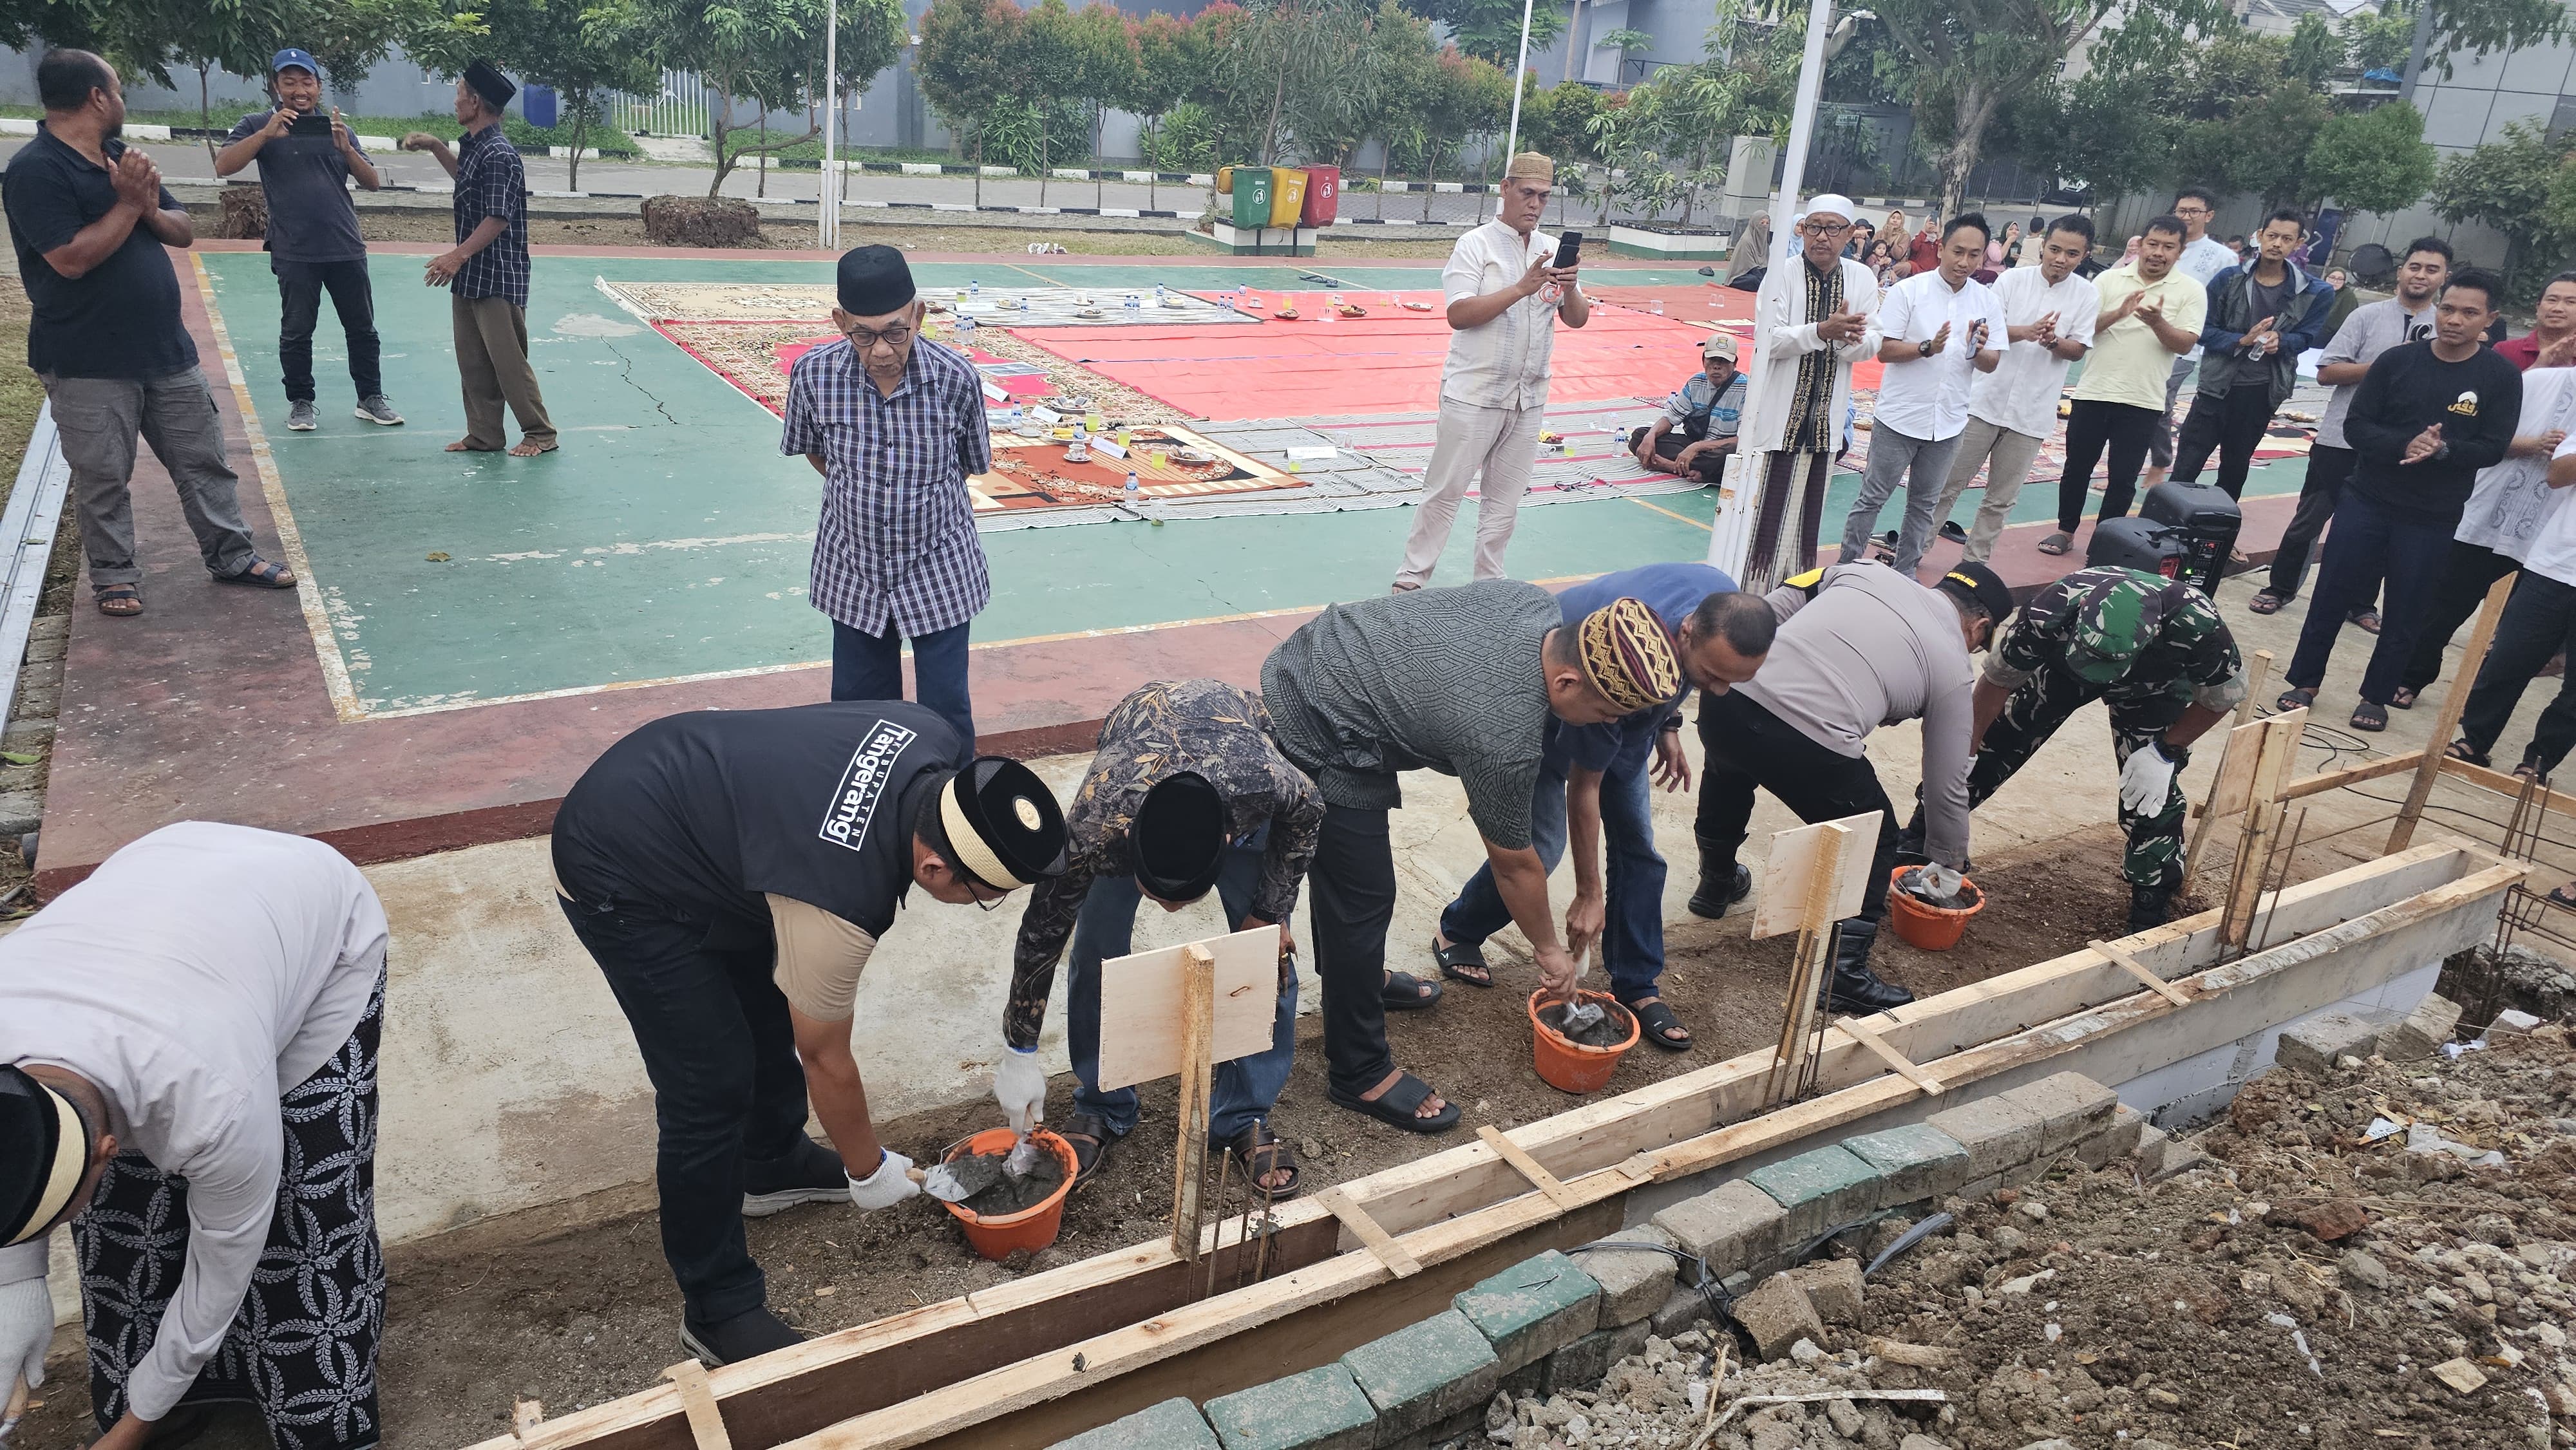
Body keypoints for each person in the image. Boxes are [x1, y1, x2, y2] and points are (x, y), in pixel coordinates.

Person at [551, 704, 1068, 1362]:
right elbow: (824, 1056)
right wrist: (868, 1167)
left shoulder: (929, 733)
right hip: (621, 859)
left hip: (707, 814)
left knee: (769, 994)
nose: (980, 904)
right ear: (936, 867)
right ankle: (718, 1307)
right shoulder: (838, 905)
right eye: (983, 895)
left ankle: (771, 1162)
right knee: (707, 1087)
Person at [0, 824, 390, 1450]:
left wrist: (128, 1432)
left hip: (314, 916)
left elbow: (220, 1274)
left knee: (297, 1222)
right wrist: (16, 1286)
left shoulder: (215, 1101)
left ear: (106, 1148)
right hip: (162, 885)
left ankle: (316, 1421)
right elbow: (11, 1163)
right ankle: (178, 1402)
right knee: (126, 1231)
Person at [1261, 582, 1676, 1131]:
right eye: (1604, 711)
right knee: (1363, 896)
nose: (1607, 726)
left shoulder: (1532, 605)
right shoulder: (1503, 735)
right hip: (1317, 716)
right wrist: (1551, 953)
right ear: (1568, 680)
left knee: (1353, 895)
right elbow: (1514, 865)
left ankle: (1358, 980)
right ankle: (1359, 1071)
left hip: (1328, 648)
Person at [1, 50, 301, 622]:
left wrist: (144, 206)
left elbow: (182, 230)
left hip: (165, 349)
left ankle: (231, 555)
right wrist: (129, 202)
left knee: (204, 460)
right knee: (104, 475)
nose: (122, 99)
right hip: (87, 359)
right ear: (97, 97)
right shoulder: (37, 170)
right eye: (117, 88)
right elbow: (69, 259)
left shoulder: (120, 157)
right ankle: (115, 578)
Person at [1429, 567, 1776, 1051]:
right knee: (1541, 848)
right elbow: (1584, 786)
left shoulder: (1716, 602)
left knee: (1639, 849)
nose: (1718, 692)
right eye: (1713, 677)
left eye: (1734, 681)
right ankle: (1458, 930)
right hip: (1557, 697)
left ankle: (1637, 985)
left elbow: (1682, 685)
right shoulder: (1617, 682)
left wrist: (1668, 723)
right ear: (1687, 631)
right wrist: (1589, 891)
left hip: (1634, 703)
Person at [1001, 679, 1320, 1194]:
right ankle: (1104, 1101)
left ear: (1228, 839)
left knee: (1265, 956)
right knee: (1095, 952)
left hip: (1235, 747)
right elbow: (1043, 933)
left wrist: (1271, 911)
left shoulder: (1268, 785)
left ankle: (1243, 1116)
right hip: (1137, 735)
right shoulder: (1096, 823)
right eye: (1157, 894)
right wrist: (1019, 1048)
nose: (1171, 910)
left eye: (1182, 899)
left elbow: (1307, 818)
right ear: (1127, 843)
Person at [1694, 560, 2008, 1013]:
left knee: (1729, 767)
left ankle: (1715, 885)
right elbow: (1946, 782)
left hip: (1731, 698)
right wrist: (1948, 859)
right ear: (1979, 627)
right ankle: (1843, 974)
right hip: (1811, 740)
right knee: (1875, 836)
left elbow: (1767, 609)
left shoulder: (1863, 570)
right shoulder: (1953, 665)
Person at [1912, 567, 2246, 930]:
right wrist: (1966, 754)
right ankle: (1918, 839)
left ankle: (2150, 907)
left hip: (2154, 688)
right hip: (2062, 670)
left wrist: (2167, 750)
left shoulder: (2198, 625)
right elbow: (1996, 684)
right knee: (1994, 745)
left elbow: (2221, 698)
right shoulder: (2050, 610)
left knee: (2149, 792)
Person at [2278, 270, 2523, 733]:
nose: (2454, 320)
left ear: (2489, 319)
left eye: (2469, 313)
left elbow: (2494, 445)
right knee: (2331, 592)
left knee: (2408, 607)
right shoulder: (2397, 362)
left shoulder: (2500, 377)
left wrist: (2443, 450)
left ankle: (2376, 695)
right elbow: (2358, 427)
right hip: (2367, 499)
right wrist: (2404, 445)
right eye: (2448, 309)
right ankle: (2305, 681)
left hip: (2432, 515)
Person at [781, 246, 991, 747]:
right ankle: (875, 815)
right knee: (859, 715)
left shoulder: (957, 380)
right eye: (863, 334)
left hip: (939, 566)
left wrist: (911, 501)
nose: (881, 350)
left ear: (919, 317)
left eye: (896, 332)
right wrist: (866, 494)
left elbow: (968, 464)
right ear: (840, 321)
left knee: (946, 712)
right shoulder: (813, 376)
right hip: (853, 569)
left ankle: (950, 818)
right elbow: (814, 450)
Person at [1392, 153, 1589, 591]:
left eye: (1543, 196)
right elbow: (1458, 314)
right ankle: (1410, 580)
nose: (1535, 205)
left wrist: (1571, 288)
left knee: (1504, 505)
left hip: (1528, 398)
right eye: (1527, 193)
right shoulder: (1475, 245)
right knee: (1445, 493)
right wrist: (1521, 288)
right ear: (1505, 189)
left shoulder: (1552, 250)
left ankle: (1489, 587)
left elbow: (1577, 319)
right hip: (1475, 395)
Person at [2249, 238, 2452, 619]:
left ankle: (2360, 604)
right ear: (2400, 271)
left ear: (2444, 277)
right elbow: (2327, 371)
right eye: (2415, 266)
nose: (2421, 275)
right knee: (2308, 521)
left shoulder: (2446, 326)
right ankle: (2280, 587)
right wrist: (2386, 365)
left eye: (2431, 269)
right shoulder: (2366, 317)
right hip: (2341, 438)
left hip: (2399, 448)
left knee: (2380, 529)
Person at [214, 48, 399, 433]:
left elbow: (372, 182)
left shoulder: (339, 130)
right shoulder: (257, 124)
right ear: (276, 86)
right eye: (290, 81)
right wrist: (267, 135)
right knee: (298, 331)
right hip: (293, 249)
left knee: (362, 329)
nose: (300, 89)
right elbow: (224, 166)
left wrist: (346, 149)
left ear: (318, 86)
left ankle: (370, 397)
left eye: (307, 81)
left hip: (345, 245)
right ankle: (301, 401)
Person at [2389, 362, 2576, 710]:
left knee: (2520, 635)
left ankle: (2475, 707)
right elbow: (2478, 440)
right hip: (2485, 515)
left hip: (2549, 537)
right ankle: (2411, 676)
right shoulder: (2534, 381)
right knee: (2444, 605)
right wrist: (2534, 444)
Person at [400, 59, 556, 457]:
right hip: (473, 272)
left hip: (498, 274)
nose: (454, 102)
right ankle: (485, 435)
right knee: (473, 361)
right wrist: (436, 146)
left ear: (476, 101)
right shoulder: (478, 147)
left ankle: (540, 433)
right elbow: (468, 181)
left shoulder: (500, 154)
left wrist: (457, 255)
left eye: (458, 94)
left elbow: (499, 216)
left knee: (508, 362)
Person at [1837, 213, 2007, 576]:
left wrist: (1977, 348)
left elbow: (1992, 363)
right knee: (1873, 498)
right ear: (1941, 248)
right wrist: (1928, 348)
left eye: (1974, 255)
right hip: (1900, 417)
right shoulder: (1908, 291)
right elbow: (1885, 351)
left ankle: (1906, 574)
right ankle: (1846, 569)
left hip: (1948, 423)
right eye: (1958, 251)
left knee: (1924, 505)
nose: (1964, 262)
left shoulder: (1987, 301)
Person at [1928, 215, 2098, 565]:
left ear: (2085, 255)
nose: (2060, 259)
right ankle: (1915, 551)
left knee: (2000, 499)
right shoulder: (2011, 281)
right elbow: (1989, 328)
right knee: (1947, 485)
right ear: (2043, 246)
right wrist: (2029, 331)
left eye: (2071, 254)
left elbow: (2079, 348)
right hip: (1984, 401)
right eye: (2054, 249)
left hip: (2031, 412)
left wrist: (2053, 342)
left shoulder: (2087, 294)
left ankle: (1974, 566)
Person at [1733, 194, 1880, 592]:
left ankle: (1793, 596)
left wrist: (1848, 338)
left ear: (1849, 234)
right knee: (1765, 515)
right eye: (1813, 226)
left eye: (1833, 228)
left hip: (1824, 423)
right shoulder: (1782, 273)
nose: (1821, 237)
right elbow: (1767, 340)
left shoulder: (1862, 278)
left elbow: (1873, 343)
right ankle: (1751, 596)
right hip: (1780, 418)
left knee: (1806, 517)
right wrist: (1820, 332)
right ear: (1803, 229)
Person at [2038, 216, 2205, 556]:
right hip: (2094, 392)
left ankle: (2106, 540)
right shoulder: (2109, 280)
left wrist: (2158, 322)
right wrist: (2118, 313)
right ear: (2141, 244)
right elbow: (2082, 330)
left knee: (2122, 477)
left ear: (2180, 252)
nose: (2158, 253)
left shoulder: (2191, 291)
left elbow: (2185, 344)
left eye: (2168, 247)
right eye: (2153, 244)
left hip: (2143, 400)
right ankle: (2065, 531)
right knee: (2077, 468)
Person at [2168, 209, 2334, 501]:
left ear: (2297, 245)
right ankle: (2165, 527)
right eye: (2272, 236)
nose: (2277, 244)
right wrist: (2242, 340)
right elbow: (2202, 330)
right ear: (2259, 236)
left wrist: (2281, 340)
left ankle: (2220, 535)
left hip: (2261, 391)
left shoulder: (2314, 291)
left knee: (2235, 466)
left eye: (2286, 239)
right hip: (2216, 387)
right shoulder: (2229, 279)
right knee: (2187, 464)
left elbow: (2308, 337)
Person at [2448, 429, 2576, 786]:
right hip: (2554, 565)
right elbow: (2556, 476)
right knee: (2507, 660)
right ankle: (2475, 740)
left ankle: (2539, 761)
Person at [2144, 187, 2246, 481]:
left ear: (2209, 216)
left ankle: (2160, 461)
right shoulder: (2156, 245)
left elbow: (2227, 301)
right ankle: (2129, 467)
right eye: (2181, 211)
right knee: (2135, 404)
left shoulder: (2223, 256)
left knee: (2158, 401)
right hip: (2143, 335)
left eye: (2194, 211)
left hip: (2185, 342)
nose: (2186, 216)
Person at [1629, 334, 1748, 481]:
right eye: (1712, 360)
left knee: (1732, 453)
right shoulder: (1696, 382)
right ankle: (1699, 471)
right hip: (1694, 447)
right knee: (1639, 437)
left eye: (1723, 361)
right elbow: (1671, 418)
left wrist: (1697, 447)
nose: (1717, 366)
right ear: (1703, 360)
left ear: (1734, 363)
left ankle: (1671, 466)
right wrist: (1650, 436)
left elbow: (1743, 440)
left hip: (1718, 449)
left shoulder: (1747, 388)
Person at [2497, 272, 2576, 372]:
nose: (2558, 308)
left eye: (2571, 302)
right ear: (2538, 307)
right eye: (2552, 300)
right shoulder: (2505, 351)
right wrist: (2537, 367)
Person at [1725, 211, 1770, 287]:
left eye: (1767, 223)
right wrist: (1763, 280)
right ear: (1754, 224)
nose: (1765, 226)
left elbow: (1766, 264)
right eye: (1762, 223)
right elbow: (1751, 267)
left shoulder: (1765, 241)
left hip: (1759, 273)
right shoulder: (1746, 241)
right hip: (1742, 275)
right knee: (1754, 281)